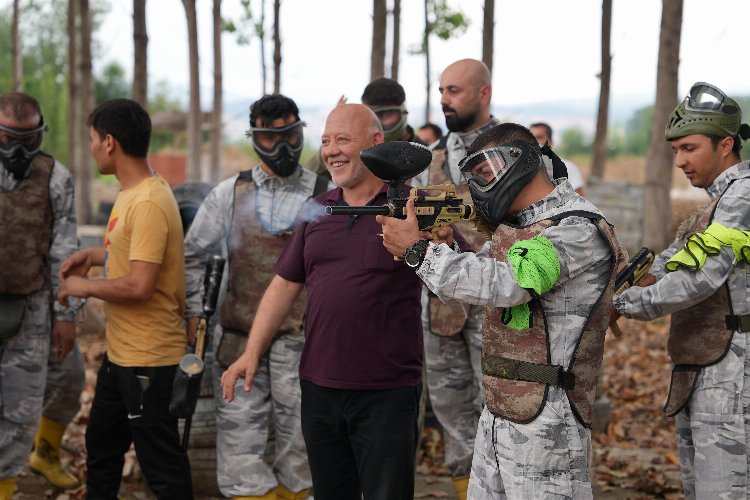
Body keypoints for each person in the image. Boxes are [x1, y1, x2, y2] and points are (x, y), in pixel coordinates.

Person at [378, 122, 624, 499]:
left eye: (485, 173)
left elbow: (510, 284)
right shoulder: (520, 228)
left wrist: (419, 252)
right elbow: (479, 289)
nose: (478, 186)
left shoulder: (576, 227)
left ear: (520, 163)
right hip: (500, 413)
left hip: (550, 424)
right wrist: (445, 252)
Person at [221, 104, 427, 500]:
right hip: (319, 386)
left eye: (343, 140)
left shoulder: (411, 208)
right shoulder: (317, 210)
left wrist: (433, 242)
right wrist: (251, 352)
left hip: (386, 391)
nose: (331, 150)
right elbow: (283, 285)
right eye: (326, 141)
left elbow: (454, 276)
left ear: (375, 143)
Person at [184, 94, 328, 500]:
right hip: (237, 337)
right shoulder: (229, 193)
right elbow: (191, 256)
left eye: (290, 135)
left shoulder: (326, 194)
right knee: (239, 449)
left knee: (302, 444)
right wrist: (195, 312)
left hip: (302, 341)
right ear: (254, 139)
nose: (282, 147)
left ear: (301, 132)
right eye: (270, 139)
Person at [612, 82, 750, 499]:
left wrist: (621, 303)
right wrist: (617, 278)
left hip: (733, 372)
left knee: (723, 491)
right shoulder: (715, 203)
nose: (679, 161)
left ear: (725, 144)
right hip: (708, 364)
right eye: (675, 150)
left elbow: (700, 278)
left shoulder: (742, 195)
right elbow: (674, 260)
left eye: (689, 148)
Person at [57, 98, 193, 499]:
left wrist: (83, 287)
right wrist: (94, 256)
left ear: (110, 142)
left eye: (93, 139)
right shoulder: (133, 192)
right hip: (122, 357)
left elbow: (139, 285)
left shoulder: (149, 201)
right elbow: (134, 256)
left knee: (162, 467)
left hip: (148, 359)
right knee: (101, 449)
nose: (92, 147)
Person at [409, 58, 501, 499]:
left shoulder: (515, 152)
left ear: (483, 93)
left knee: (501, 406)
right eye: (441, 90)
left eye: (454, 91)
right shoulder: (431, 161)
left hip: (502, 307)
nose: (443, 99)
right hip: (444, 307)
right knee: (451, 410)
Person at [0, 92, 79, 498]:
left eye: (28, 141)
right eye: (9, 138)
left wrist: (66, 316)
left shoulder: (55, 176)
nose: (17, 150)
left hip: (30, 310)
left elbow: (64, 251)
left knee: (20, 413)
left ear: (41, 132)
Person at [304, 78, 424, 179]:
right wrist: (339, 130)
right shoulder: (356, 151)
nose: (378, 123)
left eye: (386, 115)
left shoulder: (425, 155)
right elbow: (308, 176)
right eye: (372, 115)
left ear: (403, 113)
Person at [529, 122, 586, 196]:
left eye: (539, 137)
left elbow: (579, 199)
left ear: (551, 141)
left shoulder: (568, 167)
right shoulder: (521, 169)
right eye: (530, 138)